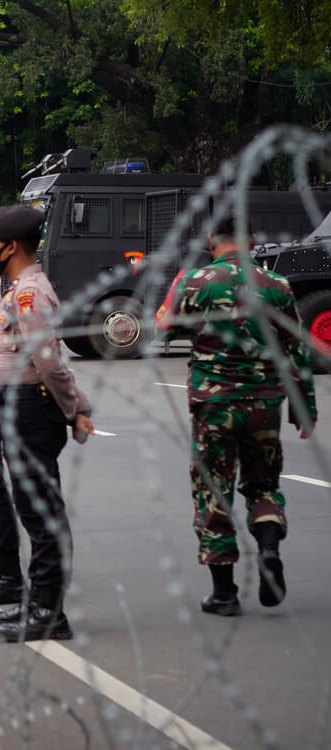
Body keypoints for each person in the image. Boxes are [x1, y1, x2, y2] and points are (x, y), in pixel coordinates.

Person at [156, 214, 317, 617]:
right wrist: (305, 408)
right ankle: (267, 551)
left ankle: (224, 594)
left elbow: (166, 330)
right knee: (263, 485)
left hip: (215, 406)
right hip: (264, 405)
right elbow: (297, 351)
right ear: (253, 240)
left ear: (212, 240)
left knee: (214, 491)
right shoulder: (277, 285)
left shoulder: (196, 281)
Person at [0, 205, 94, 642]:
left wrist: (73, 409)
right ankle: (39, 603)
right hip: (19, 403)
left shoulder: (30, 293)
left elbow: (48, 360)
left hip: (31, 406)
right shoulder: (19, 288)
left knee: (42, 512)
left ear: (10, 246)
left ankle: (50, 612)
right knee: (32, 510)